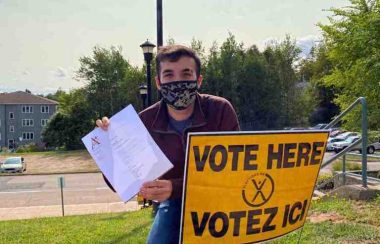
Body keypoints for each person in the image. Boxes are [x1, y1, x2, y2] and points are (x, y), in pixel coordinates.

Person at [97, 44, 240, 244]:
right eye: (169, 75)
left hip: (217, 201)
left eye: (186, 73)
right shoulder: (145, 121)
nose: (178, 81)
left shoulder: (219, 110)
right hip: (170, 206)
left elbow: (233, 173)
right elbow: (121, 182)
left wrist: (175, 187)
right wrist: (107, 148)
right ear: (158, 82)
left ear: (198, 80)